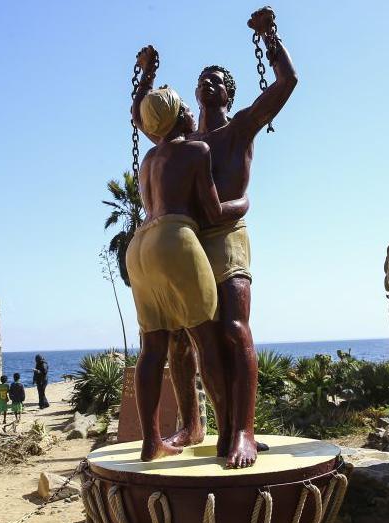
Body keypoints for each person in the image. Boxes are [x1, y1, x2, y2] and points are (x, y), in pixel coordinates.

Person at [132, 7, 297, 468]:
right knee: (182, 342)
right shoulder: (181, 139)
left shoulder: (239, 127)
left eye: (218, 80)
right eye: (203, 79)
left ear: (230, 92)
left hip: (224, 239)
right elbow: (142, 117)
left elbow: (285, 84)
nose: (208, 83)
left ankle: (242, 431)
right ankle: (193, 423)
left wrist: (271, 37)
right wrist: (145, 79)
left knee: (231, 329)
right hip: (187, 242)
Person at [127, 82, 247, 463]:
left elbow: (142, 116)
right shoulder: (197, 150)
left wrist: (145, 81)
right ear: (180, 114)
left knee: (152, 348)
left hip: (139, 247)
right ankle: (230, 434)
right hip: (174, 239)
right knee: (206, 340)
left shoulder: (148, 159)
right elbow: (212, 212)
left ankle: (152, 443)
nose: (194, 110)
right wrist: (242, 204)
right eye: (186, 107)